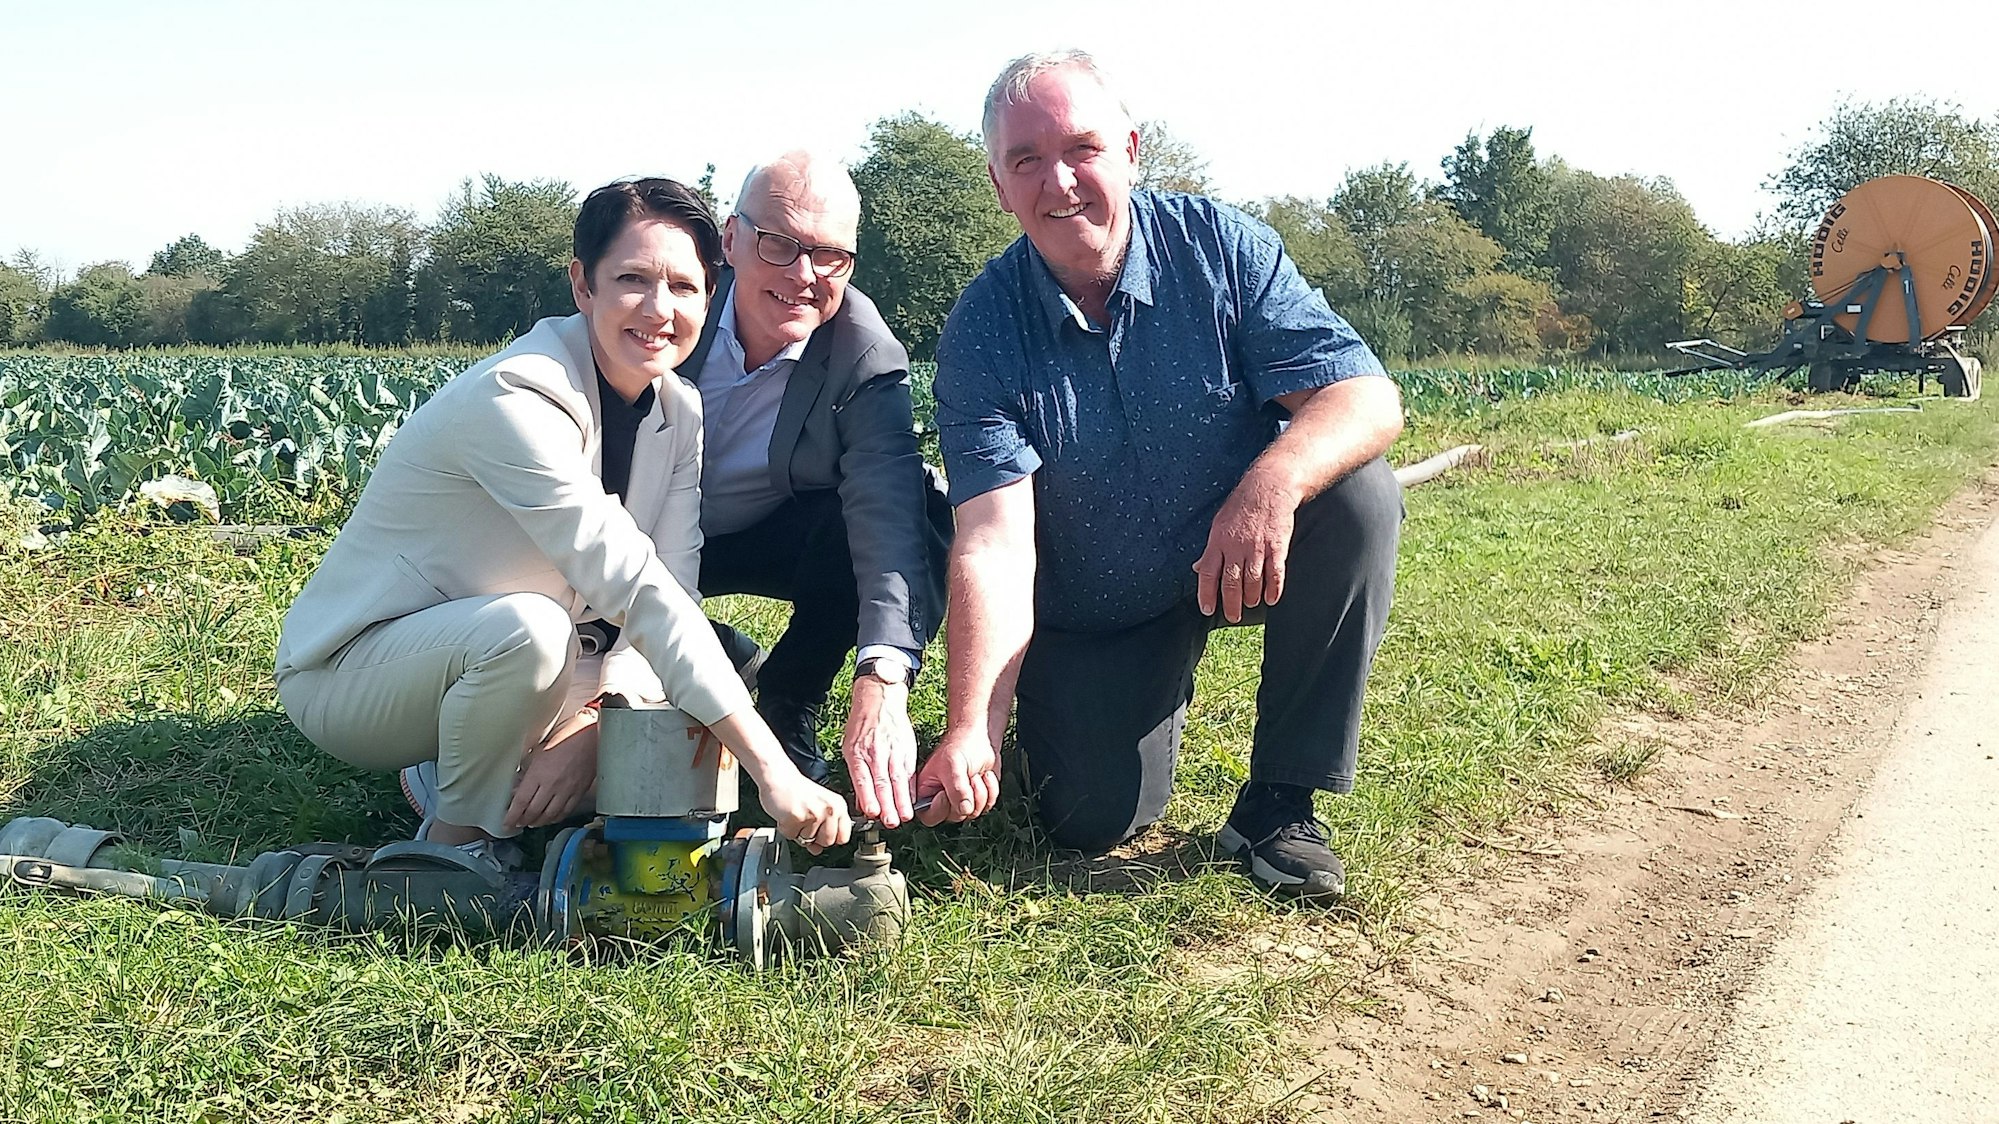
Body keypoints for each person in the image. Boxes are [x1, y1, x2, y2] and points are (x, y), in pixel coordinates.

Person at [915, 51, 1405, 900]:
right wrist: (969, 729)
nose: (1058, 181)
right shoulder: (982, 329)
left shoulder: (1223, 249)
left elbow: (1364, 397)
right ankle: (1099, 704)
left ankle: (1278, 804)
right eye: (1025, 160)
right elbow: (993, 543)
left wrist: (1269, 485)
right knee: (1087, 819)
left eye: (1082, 148)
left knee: (1360, 497)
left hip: (1238, 559)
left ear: (1131, 150)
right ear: (999, 185)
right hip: (1097, 610)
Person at [274, 177, 852, 867]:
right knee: (531, 636)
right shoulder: (515, 396)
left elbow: (673, 586)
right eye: (632, 279)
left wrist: (596, 726)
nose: (659, 309)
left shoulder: (678, 408)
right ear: (583, 286)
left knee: (675, 727)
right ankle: (456, 846)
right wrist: (772, 771)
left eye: (684, 286)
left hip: (538, 657)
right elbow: (633, 585)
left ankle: (479, 770)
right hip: (359, 673)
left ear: (709, 294)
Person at [676, 152, 950, 829]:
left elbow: (886, 511)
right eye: (780, 245)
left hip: (761, 527)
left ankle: (788, 701)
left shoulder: (863, 354)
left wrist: (883, 675)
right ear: (731, 241)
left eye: (829, 255)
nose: (804, 276)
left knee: (921, 508)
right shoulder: (671, 309)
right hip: (638, 529)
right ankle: (712, 656)